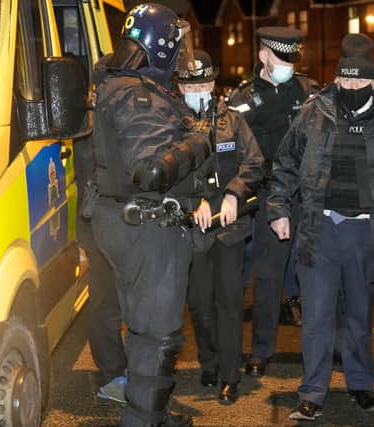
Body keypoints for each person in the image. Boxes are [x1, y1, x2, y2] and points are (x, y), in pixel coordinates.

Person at [266, 33, 374, 420]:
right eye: (346, 80)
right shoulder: (313, 114)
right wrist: (278, 210)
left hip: (369, 233)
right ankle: (312, 392)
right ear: (337, 79)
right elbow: (283, 166)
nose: (352, 87)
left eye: (360, 81)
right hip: (320, 229)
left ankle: (360, 384)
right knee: (316, 317)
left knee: (359, 316)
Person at [90, 4, 211, 426]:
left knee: (145, 329)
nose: (181, 54)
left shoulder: (121, 84)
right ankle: (143, 420)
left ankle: (151, 414)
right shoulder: (137, 94)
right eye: (177, 45)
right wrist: (200, 140)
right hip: (148, 227)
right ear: (159, 46)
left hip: (125, 221)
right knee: (157, 337)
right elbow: (153, 170)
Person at [228, 26, 318, 377]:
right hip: (268, 197)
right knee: (268, 277)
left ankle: (324, 347)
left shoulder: (311, 93)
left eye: (292, 60)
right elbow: (231, 149)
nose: (288, 66)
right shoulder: (242, 99)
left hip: (308, 196)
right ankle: (261, 351)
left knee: (317, 275)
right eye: (282, 59)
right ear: (264, 55)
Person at [177, 50, 264, 405]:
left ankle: (230, 376)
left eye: (203, 82)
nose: (197, 88)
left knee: (228, 302)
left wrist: (233, 195)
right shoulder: (169, 122)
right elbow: (166, 172)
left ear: (212, 83)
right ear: (180, 86)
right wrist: (191, 200)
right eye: (190, 83)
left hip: (229, 228)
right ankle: (209, 361)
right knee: (199, 304)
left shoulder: (234, 121)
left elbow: (255, 162)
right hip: (193, 228)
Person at [74, 112, 127, 403]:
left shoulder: (98, 121)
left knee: (112, 302)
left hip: (111, 225)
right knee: (107, 303)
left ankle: (118, 372)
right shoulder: (92, 126)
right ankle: (113, 375)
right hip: (101, 225)